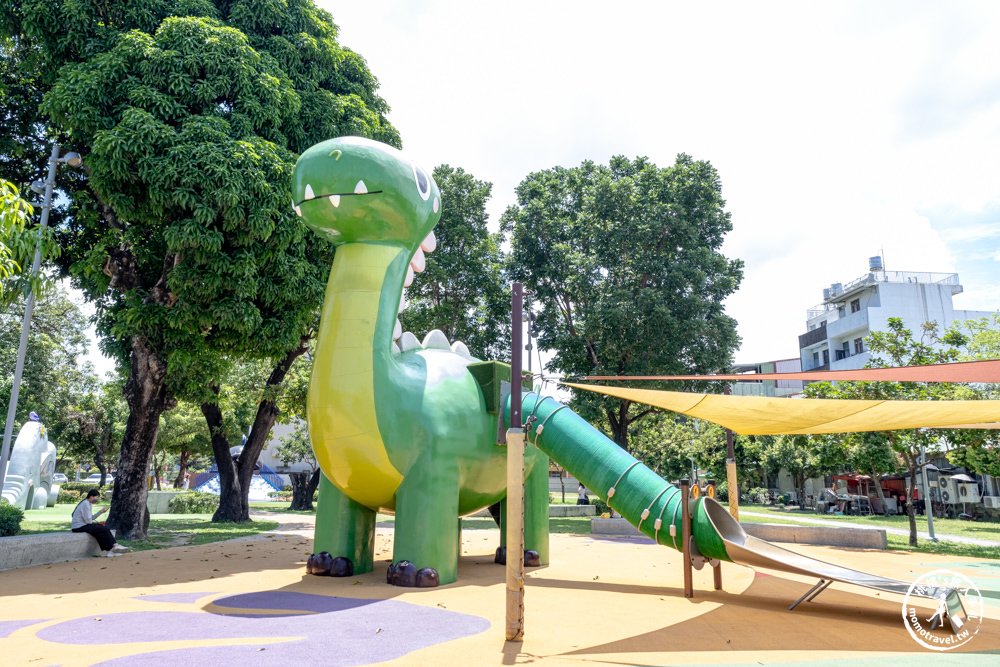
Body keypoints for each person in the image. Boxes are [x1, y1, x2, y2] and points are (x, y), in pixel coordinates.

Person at [71, 489, 130, 556]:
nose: (97, 499)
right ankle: (115, 545)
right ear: (91, 496)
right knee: (104, 529)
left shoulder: (88, 504)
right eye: (96, 497)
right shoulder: (85, 504)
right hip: (78, 527)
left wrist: (100, 512)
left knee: (100, 531)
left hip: (82, 525)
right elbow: (88, 521)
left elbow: (91, 518)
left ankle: (111, 550)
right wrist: (96, 525)